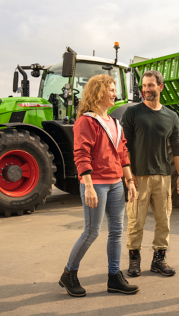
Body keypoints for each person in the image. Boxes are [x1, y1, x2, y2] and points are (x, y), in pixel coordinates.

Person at [59, 74, 139, 296]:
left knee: (116, 231)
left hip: (116, 184)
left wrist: (129, 181)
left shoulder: (115, 122)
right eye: (111, 89)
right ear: (98, 92)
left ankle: (114, 277)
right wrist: (89, 186)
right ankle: (69, 273)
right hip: (96, 184)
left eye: (115, 90)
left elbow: (123, 154)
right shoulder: (86, 121)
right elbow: (81, 154)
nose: (115, 94)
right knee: (91, 231)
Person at [121, 70, 179, 278]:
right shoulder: (132, 113)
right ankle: (134, 258)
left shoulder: (171, 116)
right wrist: (128, 176)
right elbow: (124, 147)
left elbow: (177, 146)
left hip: (163, 176)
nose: (146, 89)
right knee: (135, 221)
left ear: (160, 87)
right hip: (137, 176)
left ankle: (159, 259)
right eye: (144, 85)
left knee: (163, 220)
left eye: (150, 85)